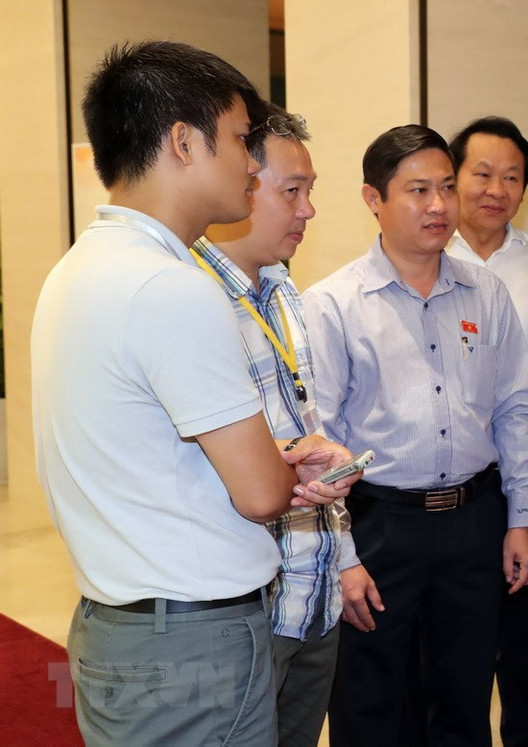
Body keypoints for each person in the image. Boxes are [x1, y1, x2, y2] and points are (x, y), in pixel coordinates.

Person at [31, 41, 353, 745]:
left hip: (122, 623)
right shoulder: (172, 288)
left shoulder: (78, 268)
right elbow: (261, 495)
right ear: (183, 141)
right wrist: (280, 468)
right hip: (191, 639)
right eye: (240, 139)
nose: (249, 160)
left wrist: (273, 461)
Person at [302, 124, 528, 747]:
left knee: (463, 701)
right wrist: (345, 557)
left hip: (473, 520)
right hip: (379, 522)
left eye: (444, 188)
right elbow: (316, 439)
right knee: (370, 704)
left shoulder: (486, 293)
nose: (439, 206)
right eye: (417, 190)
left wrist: (521, 516)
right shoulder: (334, 304)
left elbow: (515, 408)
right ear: (372, 199)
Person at [193, 104, 348, 746]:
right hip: (245, 607)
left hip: (313, 588)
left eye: (309, 190)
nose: (308, 209)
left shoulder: (284, 289)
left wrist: (347, 558)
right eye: (293, 191)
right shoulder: (190, 298)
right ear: (240, 182)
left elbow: (304, 418)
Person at [447, 116, 528, 747]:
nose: (496, 188)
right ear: (454, 177)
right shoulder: (429, 258)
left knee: (526, 649)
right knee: (454, 647)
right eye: (482, 173)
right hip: (452, 480)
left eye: (512, 177)